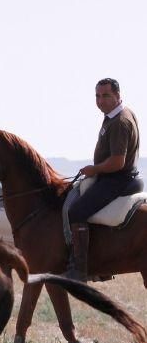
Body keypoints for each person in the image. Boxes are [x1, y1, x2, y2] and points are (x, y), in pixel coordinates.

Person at [66, 78, 140, 281]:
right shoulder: (113, 115)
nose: (100, 101)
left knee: (77, 211)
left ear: (117, 96)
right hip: (113, 177)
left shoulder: (120, 121)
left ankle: (79, 269)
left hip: (117, 179)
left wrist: (94, 169)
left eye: (106, 95)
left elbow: (117, 161)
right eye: (97, 96)